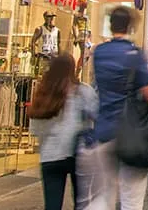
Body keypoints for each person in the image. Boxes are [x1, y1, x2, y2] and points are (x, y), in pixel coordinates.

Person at [85, 6, 148, 210]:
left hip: (103, 130)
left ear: (110, 25)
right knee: (132, 198)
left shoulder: (99, 52)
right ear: (131, 27)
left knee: (105, 193)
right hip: (130, 134)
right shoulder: (134, 53)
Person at [29, 54, 98, 210]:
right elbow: (98, 115)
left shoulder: (42, 94)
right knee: (82, 203)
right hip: (77, 154)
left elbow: (34, 129)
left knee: (52, 204)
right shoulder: (83, 91)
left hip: (49, 156)